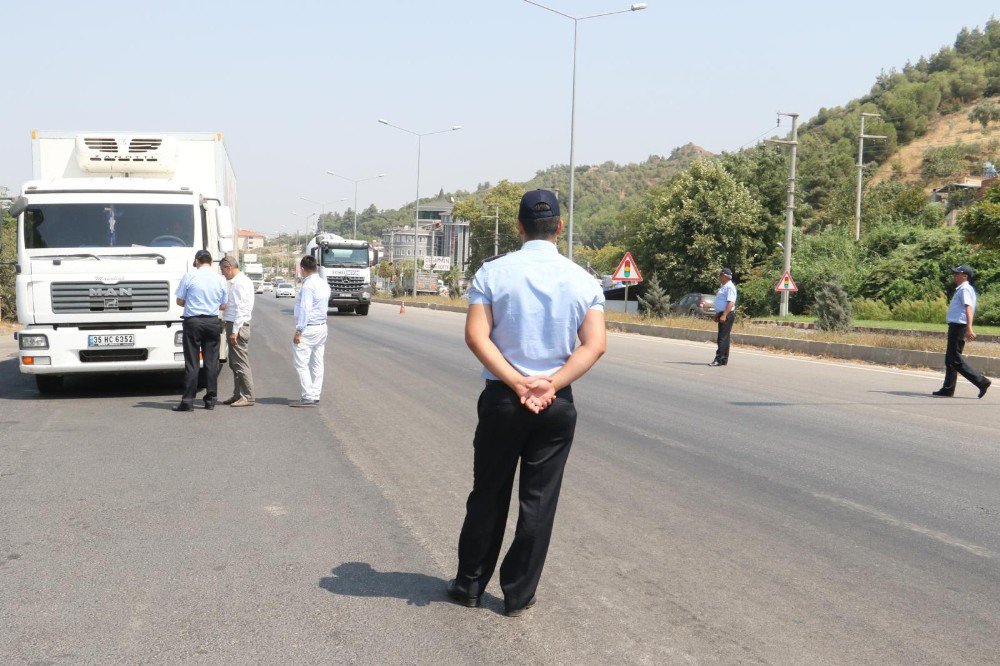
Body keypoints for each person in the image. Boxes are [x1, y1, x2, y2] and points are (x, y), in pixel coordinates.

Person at [448, 189, 607, 618]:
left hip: (503, 397)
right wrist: (549, 384)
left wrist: (518, 383)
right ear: (559, 226)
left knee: (489, 492)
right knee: (539, 501)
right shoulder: (583, 281)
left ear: (518, 226)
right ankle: (518, 594)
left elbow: (476, 336)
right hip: (555, 404)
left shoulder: (492, 274)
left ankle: (469, 586)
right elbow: (594, 345)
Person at [174, 250, 227, 412]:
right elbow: (224, 305)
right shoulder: (220, 279)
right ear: (210, 262)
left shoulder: (189, 276)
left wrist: (192, 303)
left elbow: (179, 301)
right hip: (212, 322)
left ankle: (188, 401)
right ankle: (211, 399)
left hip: (193, 322)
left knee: (192, 362)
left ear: (197, 261)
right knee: (212, 362)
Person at [933, 265, 991, 399]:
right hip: (956, 326)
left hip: (959, 326)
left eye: (957, 273)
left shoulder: (965, 289)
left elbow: (968, 308)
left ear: (965, 276)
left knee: (955, 359)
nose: (955, 275)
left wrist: (969, 328)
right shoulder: (962, 289)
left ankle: (981, 382)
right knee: (950, 360)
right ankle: (948, 389)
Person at [290, 255, 331, 407]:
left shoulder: (308, 286)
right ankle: (315, 393)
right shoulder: (323, 284)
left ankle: (308, 395)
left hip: (309, 328)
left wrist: (299, 331)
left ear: (302, 269)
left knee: (301, 363)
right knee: (317, 362)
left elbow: (306, 309)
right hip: (321, 327)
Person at [219, 255, 255, 407]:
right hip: (233, 324)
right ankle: (237, 395)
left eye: (223, 270)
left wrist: (234, 331)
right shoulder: (236, 282)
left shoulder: (240, 283)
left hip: (238, 326)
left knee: (240, 363)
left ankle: (248, 396)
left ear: (229, 267)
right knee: (234, 363)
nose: (222, 274)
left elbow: (242, 309)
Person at [709, 268, 737, 367]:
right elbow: (723, 302)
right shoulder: (725, 286)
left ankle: (719, 359)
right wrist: (718, 313)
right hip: (723, 313)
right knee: (725, 338)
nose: (719, 277)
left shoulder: (729, 287)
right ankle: (724, 359)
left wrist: (724, 314)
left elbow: (731, 302)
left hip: (727, 314)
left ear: (724, 276)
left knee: (722, 338)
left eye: (720, 275)